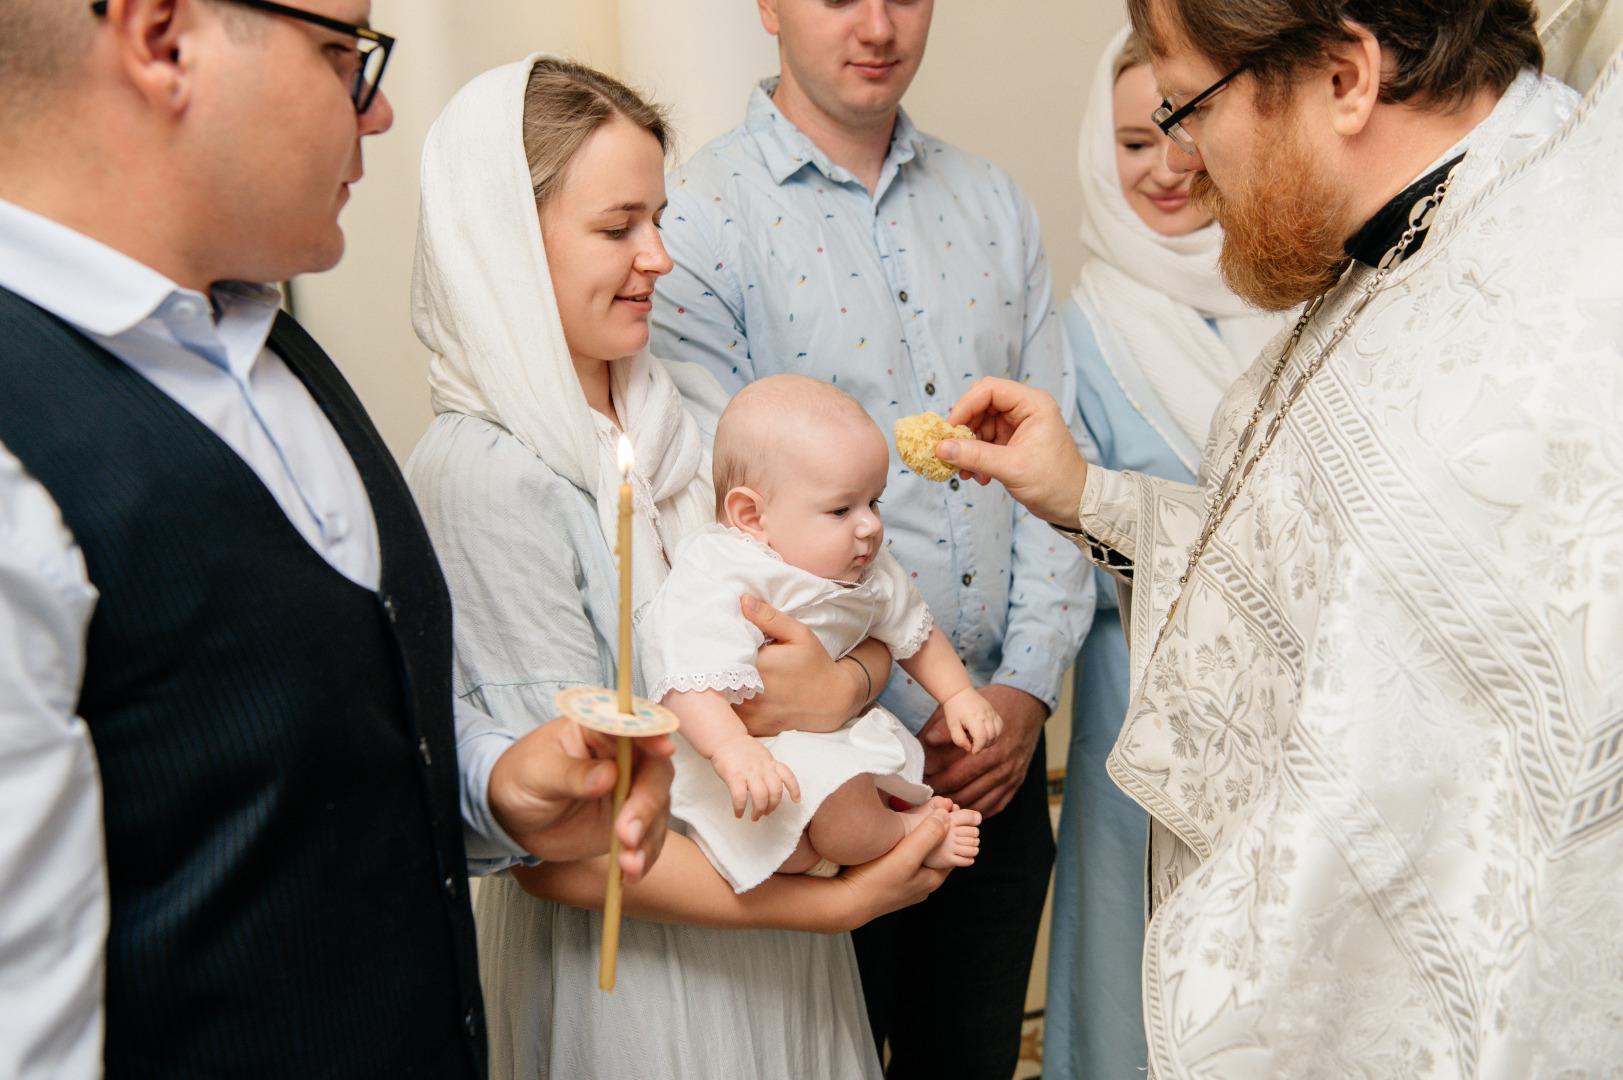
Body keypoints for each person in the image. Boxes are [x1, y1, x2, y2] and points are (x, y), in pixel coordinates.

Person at [938, 1, 1623, 1076]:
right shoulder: (1420, 240)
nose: (1185, 160)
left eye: (1190, 106)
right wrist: (1090, 498)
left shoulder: (1544, 319)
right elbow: (1320, 576)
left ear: (1346, 78)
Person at [0, 3, 675, 1079]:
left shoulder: (281, 356)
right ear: (162, 40)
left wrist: (494, 782)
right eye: (340, 55)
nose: (379, 107)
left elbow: (332, 717)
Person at [404, 55, 957, 1080]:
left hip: (775, 934)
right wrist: (830, 903)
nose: (660, 257)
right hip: (645, 973)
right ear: (507, 246)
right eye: (619, 228)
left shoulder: (694, 408)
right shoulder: (481, 474)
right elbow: (560, 857)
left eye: (658, 218)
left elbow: (857, 612)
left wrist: (842, 683)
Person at [650, 3, 1094, 1071]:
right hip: (805, 776)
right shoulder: (699, 219)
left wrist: (1022, 692)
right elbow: (727, 525)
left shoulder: (992, 203)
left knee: (972, 1058)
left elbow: (1054, 463)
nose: (880, 22)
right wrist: (872, 687)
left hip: (995, 752)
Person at [1045, 27, 1289, 1080]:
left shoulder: (1297, 292)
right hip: (1142, 698)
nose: (1168, 166)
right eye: (1135, 142)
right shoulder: (1078, 330)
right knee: (1137, 968)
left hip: (1301, 701)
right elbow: (1062, 545)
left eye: (1186, 127)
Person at [642, 374, 988, 892]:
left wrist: (958, 693)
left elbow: (915, 631)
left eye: (875, 503)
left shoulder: (868, 566)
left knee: (843, 817)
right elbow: (687, 676)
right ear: (751, 516)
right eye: (841, 509)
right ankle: (884, 832)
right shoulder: (722, 572)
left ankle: (906, 829)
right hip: (741, 755)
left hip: (828, 740)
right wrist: (732, 749)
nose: (869, 526)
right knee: (789, 850)